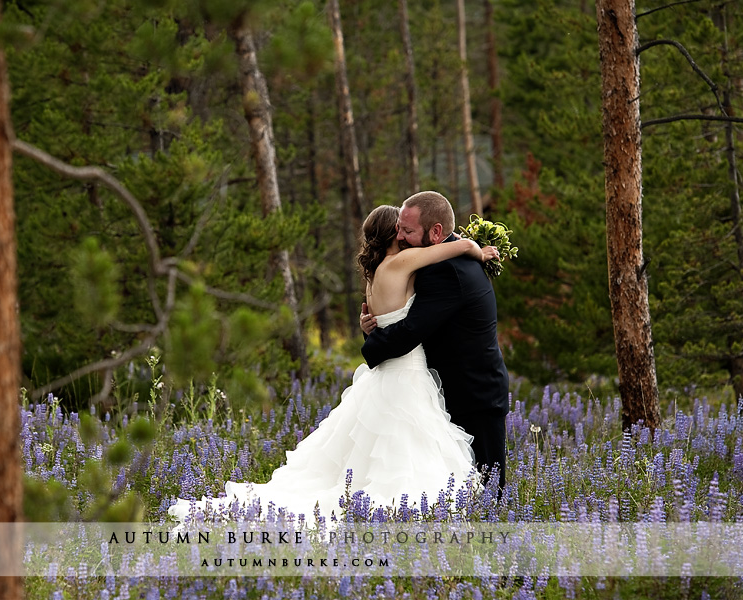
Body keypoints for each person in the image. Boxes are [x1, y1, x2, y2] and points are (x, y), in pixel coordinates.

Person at [167, 204, 499, 524]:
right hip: (405, 374)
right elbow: (453, 249)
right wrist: (476, 249)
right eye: (399, 227)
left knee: (372, 454)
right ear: (392, 235)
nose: (403, 231)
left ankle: (376, 507)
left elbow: (386, 318)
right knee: (402, 453)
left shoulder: (375, 274)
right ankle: (403, 513)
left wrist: (367, 329)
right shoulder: (402, 263)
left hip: (384, 375)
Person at [360, 191, 510, 492]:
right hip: (448, 390)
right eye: (398, 229)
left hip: (471, 395)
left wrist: (371, 344)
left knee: (487, 492)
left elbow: (410, 331)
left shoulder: (445, 271)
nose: (400, 236)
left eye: (408, 230)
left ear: (436, 232)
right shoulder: (442, 257)